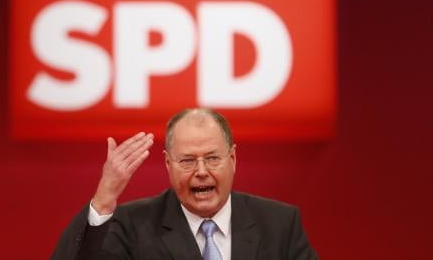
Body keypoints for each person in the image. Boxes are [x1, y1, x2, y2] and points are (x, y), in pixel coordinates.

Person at [52, 108, 317, 260]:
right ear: (168, 164)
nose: (201, 172)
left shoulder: (280, 224)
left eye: (212, 158)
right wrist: (104, 199)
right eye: (187, 161)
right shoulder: (132, 225)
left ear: (233, 158)